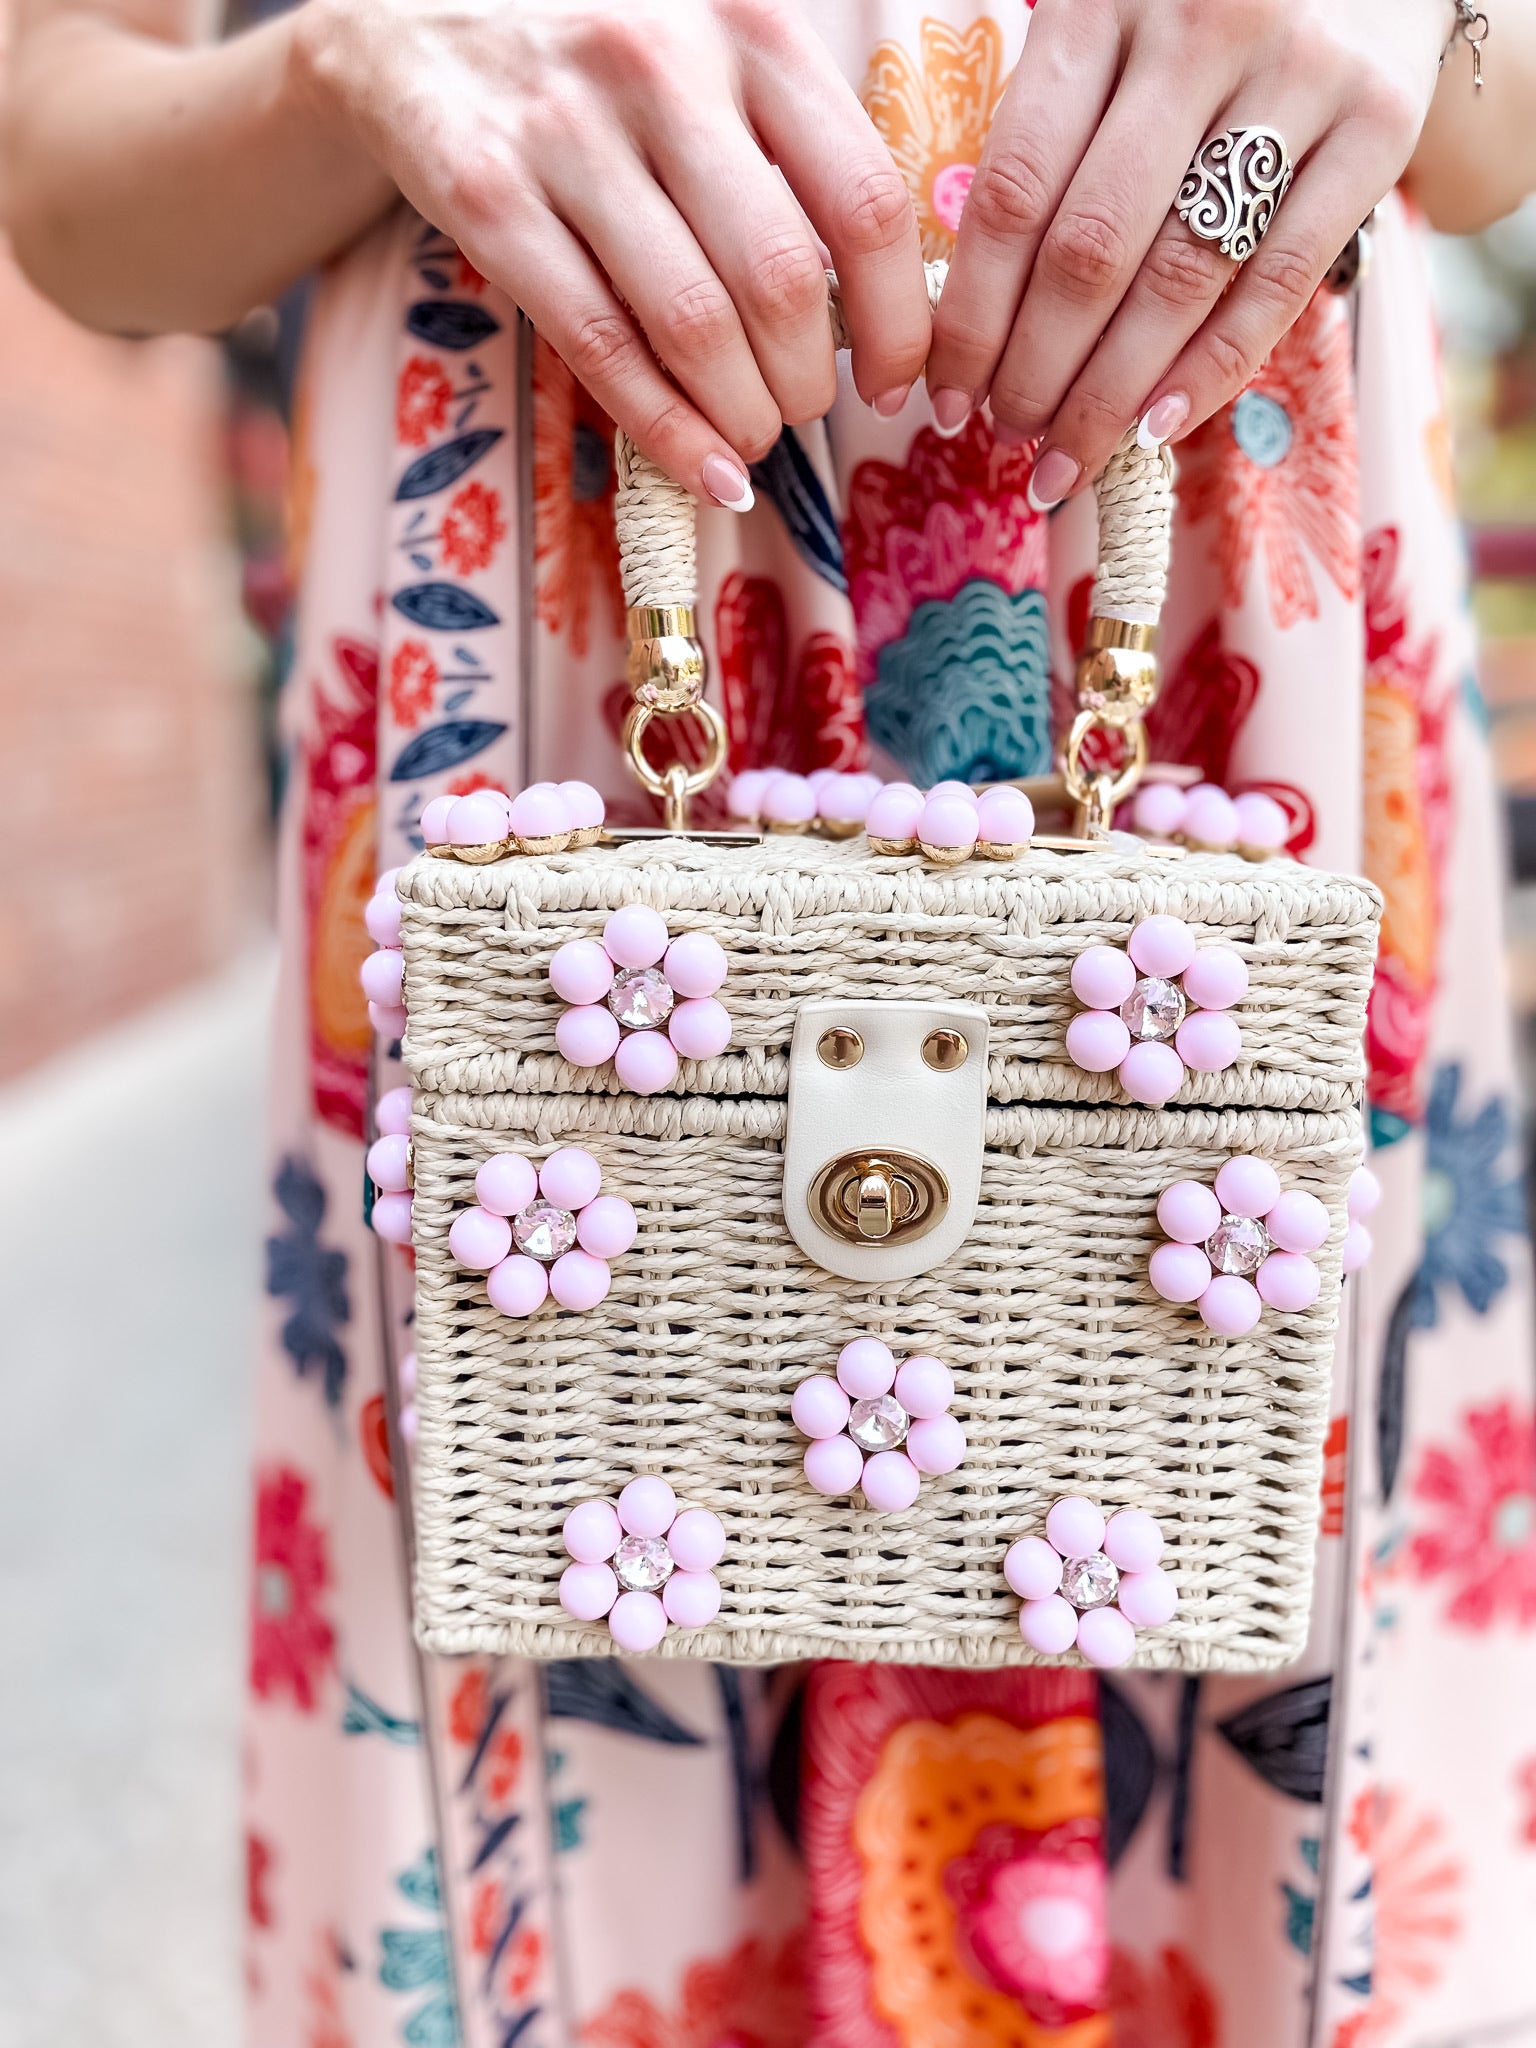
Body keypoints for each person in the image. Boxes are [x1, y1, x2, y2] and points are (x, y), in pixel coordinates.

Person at [6, 3, 1536, 2042]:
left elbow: (1498, 118)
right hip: (549, 703)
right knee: (543, 1565)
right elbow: (68, 177)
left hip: (1211, 653)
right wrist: (357, 61)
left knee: (1241, 1551)